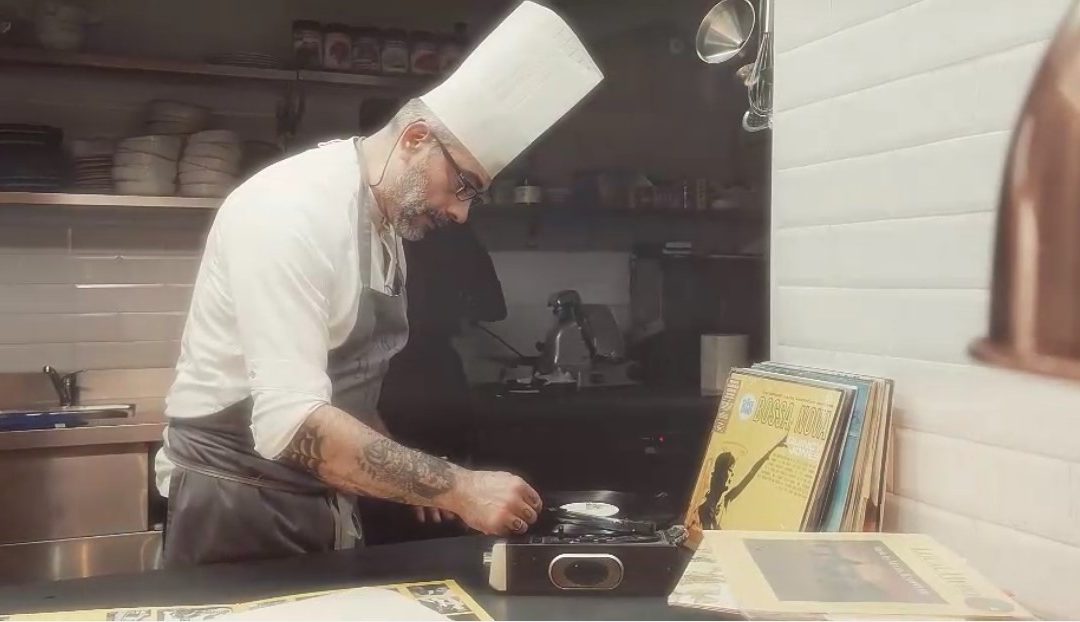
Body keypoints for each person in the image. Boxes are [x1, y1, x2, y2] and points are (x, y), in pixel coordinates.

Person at [153, 1, 603, 566]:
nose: (461, 213)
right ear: (415, 138)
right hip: (236, 503)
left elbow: (345, 386)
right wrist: (457, 487)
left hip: (321, 497)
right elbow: (289, 423)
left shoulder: (385, 223)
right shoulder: (289, 211)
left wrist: (413, 476)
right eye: (462, 184)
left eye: (474, 195)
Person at [360, 222, 507, 544]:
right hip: (432, 376)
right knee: (446, 515)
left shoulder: (378, 232)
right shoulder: (454, 230)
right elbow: (493, 307)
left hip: (393, 380)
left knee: (388, 519)